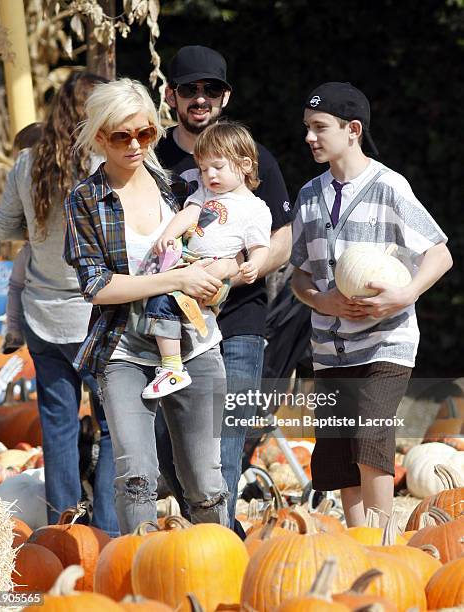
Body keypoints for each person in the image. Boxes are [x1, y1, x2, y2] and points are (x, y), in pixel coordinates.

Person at [64, 77, 230, 534]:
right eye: (122, 136)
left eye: (146, 133)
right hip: (123, 351)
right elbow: (95, 285)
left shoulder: (174, 188)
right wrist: (172, 277)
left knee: (205, 483)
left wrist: (215, 284)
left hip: (195, 345)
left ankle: (216, 578)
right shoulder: (85, 200)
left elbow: (205, 256)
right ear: (100, 137)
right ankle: (140, 580)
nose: (136, 145)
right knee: (136, 478)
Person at [290, 81, 453, 527]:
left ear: (353, 130)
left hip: (387, 342)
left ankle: (384, 543)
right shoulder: (307, 196)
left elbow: (440, 252)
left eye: (320, 127)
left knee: (370, 433)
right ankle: (358, 542)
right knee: (340, 448)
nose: (309, 137)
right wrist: (322, 300)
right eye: (307, 127)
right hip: (330, 349)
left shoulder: (389, 187)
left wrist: (405, 293)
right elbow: (299, 275)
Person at [155, 45, 293, 530]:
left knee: (224, 444)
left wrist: (239, 268)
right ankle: (208, 534)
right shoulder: (152, 155)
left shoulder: (255, 156)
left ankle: (219, 546)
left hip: (238, 321)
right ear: (171, 95)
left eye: (210, 89)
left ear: (225, 95)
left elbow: (281, 236)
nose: (199, 98)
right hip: (167, 321)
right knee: (166, 448)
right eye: (189, 89)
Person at [0, 71, 119, 536]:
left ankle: (61, 534)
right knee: (114, 427)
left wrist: (39, 231)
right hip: (99, 313)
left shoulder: (29, 163)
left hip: (44, 315)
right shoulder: (108, 165)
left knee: (59, 428)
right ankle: (106, 533)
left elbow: (4, 229)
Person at [142, 121, 272, 399]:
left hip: (217, 269)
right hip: (189, 261)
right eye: (203, 169)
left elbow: (261, 246)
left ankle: (172, 366)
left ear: (246, 164)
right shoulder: (205, 193)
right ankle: (177, 349)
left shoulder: (255, 209)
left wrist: (254, 265)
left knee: (163, 300)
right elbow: (187, 214)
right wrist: (168, 234)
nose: (209, 175)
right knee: (156, 289)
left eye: (218, 167)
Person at [0, 122, 44, 354]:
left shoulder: (22, 174)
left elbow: (5, 222)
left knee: (16, 286)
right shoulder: (62, 178)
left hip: (31, 247)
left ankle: (14, 331)